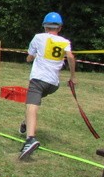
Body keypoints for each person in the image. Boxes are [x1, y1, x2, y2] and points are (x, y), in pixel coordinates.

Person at [19, 12, 77, 160]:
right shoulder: (65, 42)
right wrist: (72, 77)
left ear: (45, 26)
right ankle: (26, 123)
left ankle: (30, 139)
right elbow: (70, 56)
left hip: (38, 80)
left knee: (31, 105)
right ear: (60, 27)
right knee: (34, 102)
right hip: (53, 84)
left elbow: (30, 56)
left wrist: (28, 58)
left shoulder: (38, 37)